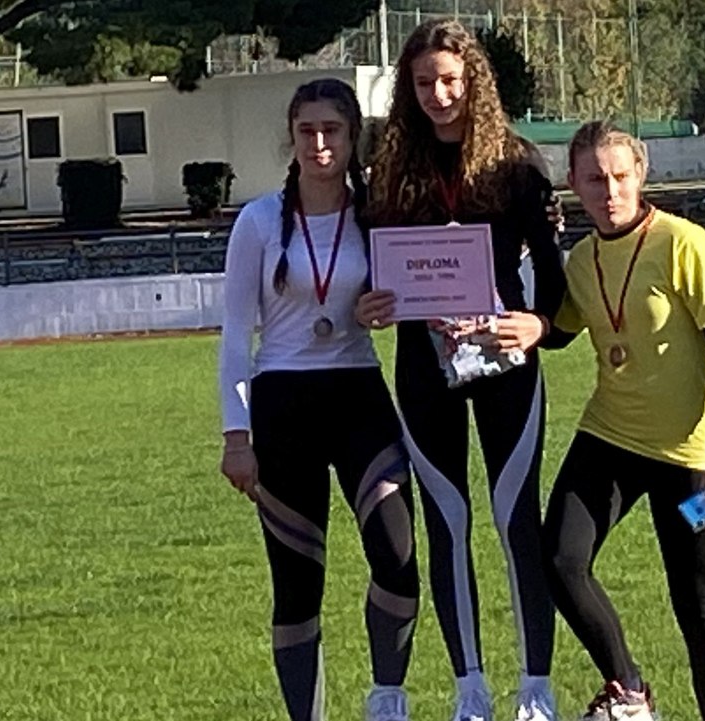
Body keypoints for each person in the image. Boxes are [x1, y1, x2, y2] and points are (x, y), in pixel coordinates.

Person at [354, 18, 567, 721]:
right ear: (408, 90)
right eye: (424, 83)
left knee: (515, 520)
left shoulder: (516, 164)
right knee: (447, 521)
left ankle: (535, 688)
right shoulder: (390, 167)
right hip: (424, 368)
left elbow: (554, 277)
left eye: (450, 80)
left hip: (506, 362)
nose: (439, 95)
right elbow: (371, 272)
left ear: (473, 80)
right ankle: (470, 687)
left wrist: (539, 326)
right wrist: (372, 303)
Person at [218, 78, 419, 721]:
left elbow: (412, 286)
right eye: (306, 131)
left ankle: (387, 699)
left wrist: (379, 308)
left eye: (332, 130)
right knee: (297, 585)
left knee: (397, 555)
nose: (319, 143)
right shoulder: (257, 222)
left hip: (359, 395)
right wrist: (236, 435)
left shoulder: (375, 214)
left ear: (353, 136)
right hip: (284, 406)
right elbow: (235, 334)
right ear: (292, 137)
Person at [540, 121, 705, 721]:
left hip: (690, 461)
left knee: (698, 606)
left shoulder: (682, 243)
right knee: (560, 560)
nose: (609, 191)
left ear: (640, 175)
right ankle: (629, 691)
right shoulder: (583, 260)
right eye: (594, 179)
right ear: (574, 184)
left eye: (619, 176)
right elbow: (556, 332)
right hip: (610, 437)